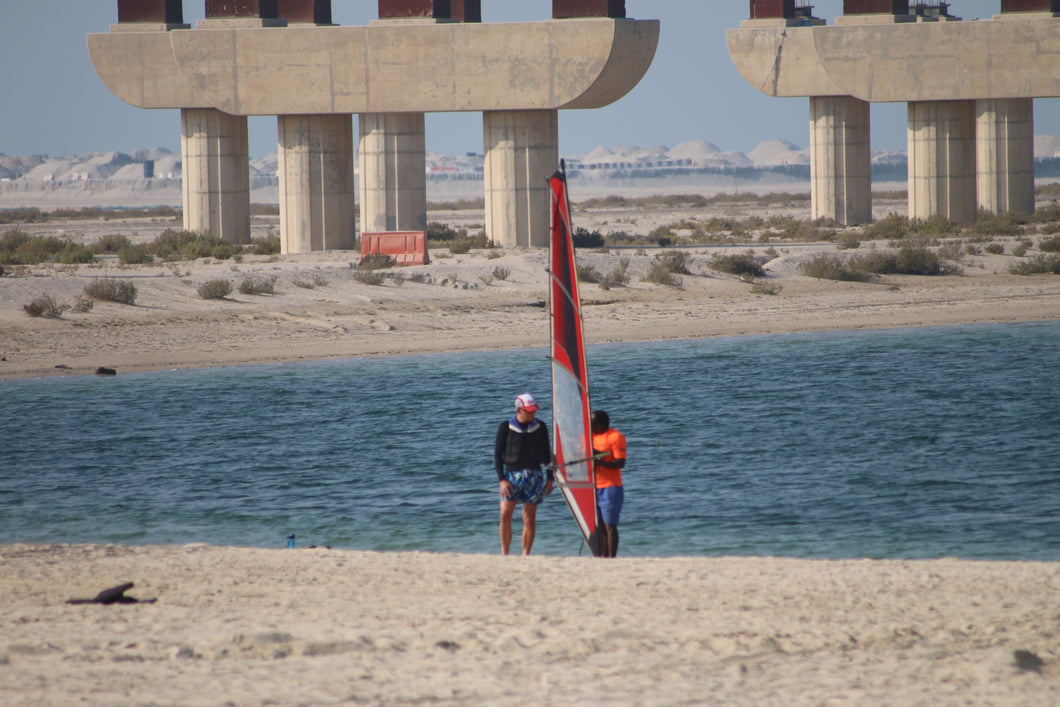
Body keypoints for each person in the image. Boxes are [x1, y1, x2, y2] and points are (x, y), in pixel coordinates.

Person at [494, 393, 554, 555]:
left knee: (529, 518)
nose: (533, 414)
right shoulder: (506, 427)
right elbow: (497, 455)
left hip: (534, 475)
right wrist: (502, 480)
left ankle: (525, 554)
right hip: (511, 476)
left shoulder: (540, 426)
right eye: (529, 411)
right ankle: (505, 553)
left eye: (534, 411)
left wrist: (550, 478)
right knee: (505, 514)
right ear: (519, 410)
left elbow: (548, 454)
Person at [591, 410, 626, 558]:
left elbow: (620, 462)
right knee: (599, 525)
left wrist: (599, 463)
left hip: (610, 487)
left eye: (591, 423)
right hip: (592, 487)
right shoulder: (590, 437)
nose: (589, 426)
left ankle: (612, 558)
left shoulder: (615, 437)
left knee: (610, 525)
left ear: (599, 425)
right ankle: (603, 557)